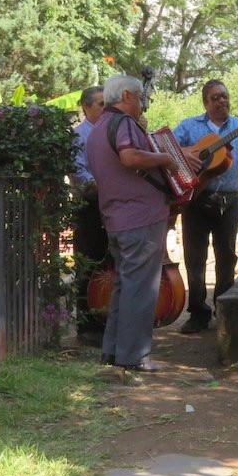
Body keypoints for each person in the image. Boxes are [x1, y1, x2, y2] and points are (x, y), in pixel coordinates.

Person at [84, 74, 180, 372]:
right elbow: (128, 157)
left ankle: (114, 353)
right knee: (141, 289)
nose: (142, 104)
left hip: (116, 218)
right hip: (139, 218)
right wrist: (164, 158)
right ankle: (134, 356)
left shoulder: (97, 127)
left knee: (125, 287)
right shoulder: (123, 123)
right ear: (127, 96)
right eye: (140, 98)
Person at [172, 80, 238, 334]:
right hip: (196, 199)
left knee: (227, 257)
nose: (221, 101)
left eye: (224, 96)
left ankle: (224, 310)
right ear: (206, 102)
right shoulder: (189, 125)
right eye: (215, 97)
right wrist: (188, 153)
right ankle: (198, 313)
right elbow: (167, 147)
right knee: (195, 258)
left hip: (229, 200)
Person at [69, 85, 108, 346]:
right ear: (86, 107)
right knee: (88, 264)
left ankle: (105, 319)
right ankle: (86, 325)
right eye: (101, 104)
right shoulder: (78, 137)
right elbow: (79, 175)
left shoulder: (110, 133)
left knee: (108, 264)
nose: (106, 109)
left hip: (113, 206)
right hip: (89, 207)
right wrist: (106, 185)